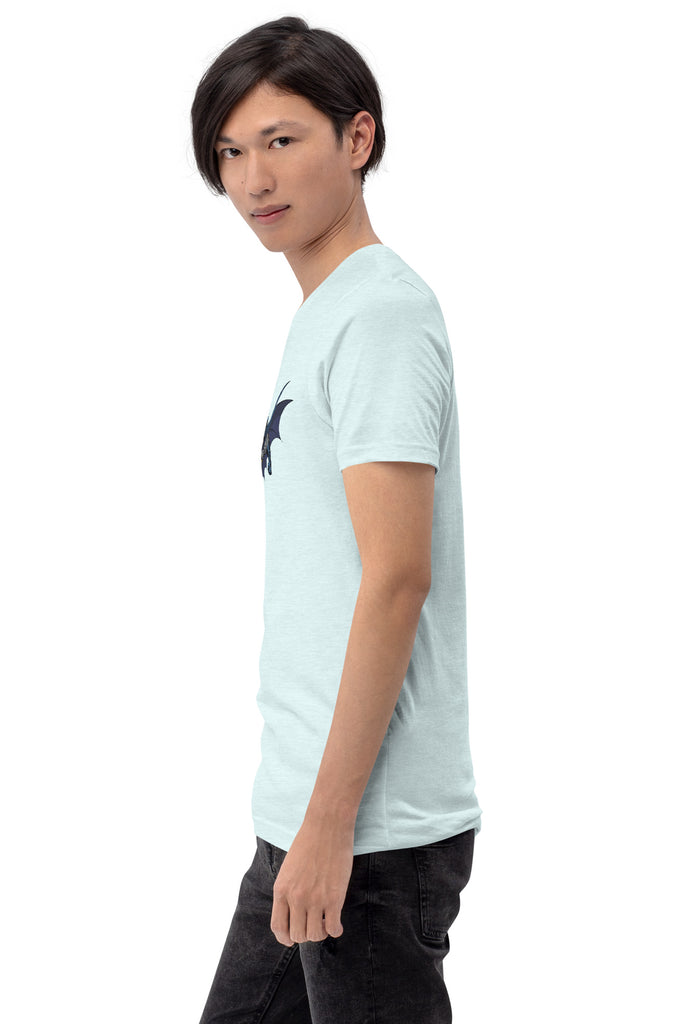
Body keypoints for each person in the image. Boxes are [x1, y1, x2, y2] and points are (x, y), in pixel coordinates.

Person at [190, 16, 482, 1023]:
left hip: (365, 836)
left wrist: (330, 826)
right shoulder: (326, 314)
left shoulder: (380, 316)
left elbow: (397, 576)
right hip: (306, 816)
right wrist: (303, 822)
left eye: (281, 140)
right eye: (232, 152)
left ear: (358, 138)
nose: (253, 178)